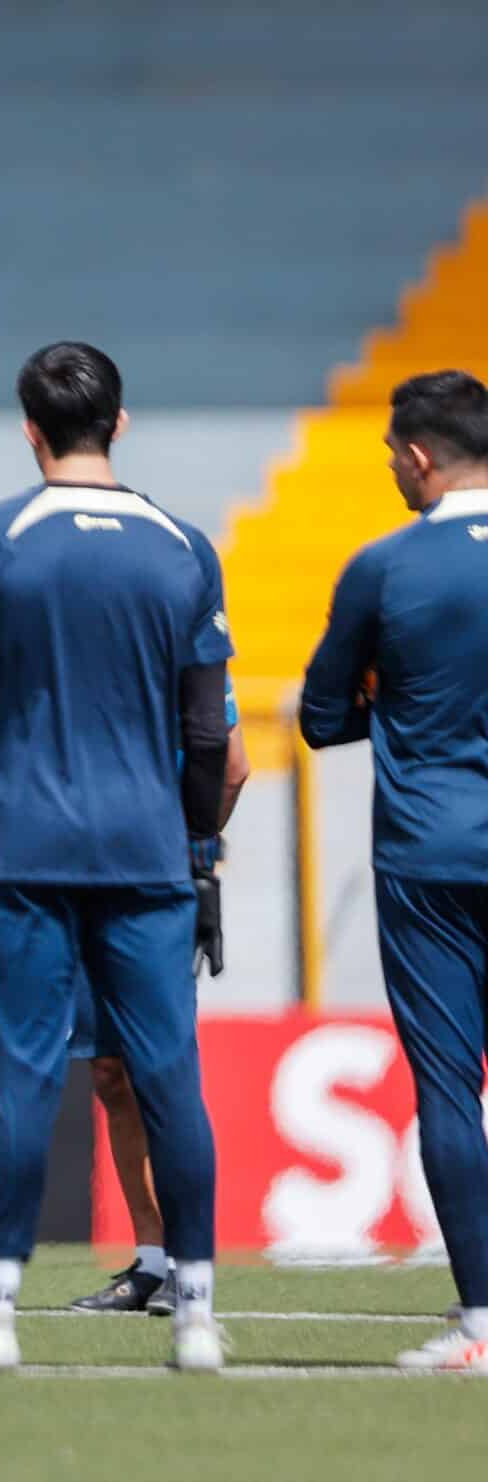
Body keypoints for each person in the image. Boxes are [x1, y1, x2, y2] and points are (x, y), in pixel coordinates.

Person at [0, 342, 228, 1373]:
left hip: (24, 856)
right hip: (146, 859)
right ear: (121, 423)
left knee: (21, 1087)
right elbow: (205, 732)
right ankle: (194, 1319)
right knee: (171, 1082)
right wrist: (202, 858)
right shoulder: (183, 546)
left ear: (28, 429)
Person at [300, 369, 488, 1373]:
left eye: (387, 453)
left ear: (418, 456)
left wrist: (400, 709)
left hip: (431, 854)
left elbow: (323, 718)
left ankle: (483, 1329)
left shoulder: (385, 568)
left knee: (452, 1091)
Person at [70, 708, 249, 1316]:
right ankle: (150, 1260)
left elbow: (233, 764)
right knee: (109, 1073)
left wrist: (192, 854)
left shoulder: (182, 624)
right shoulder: (77, 638)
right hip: (82, 879)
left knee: (163, 1078)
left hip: (155, 886)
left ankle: (188, 1264)